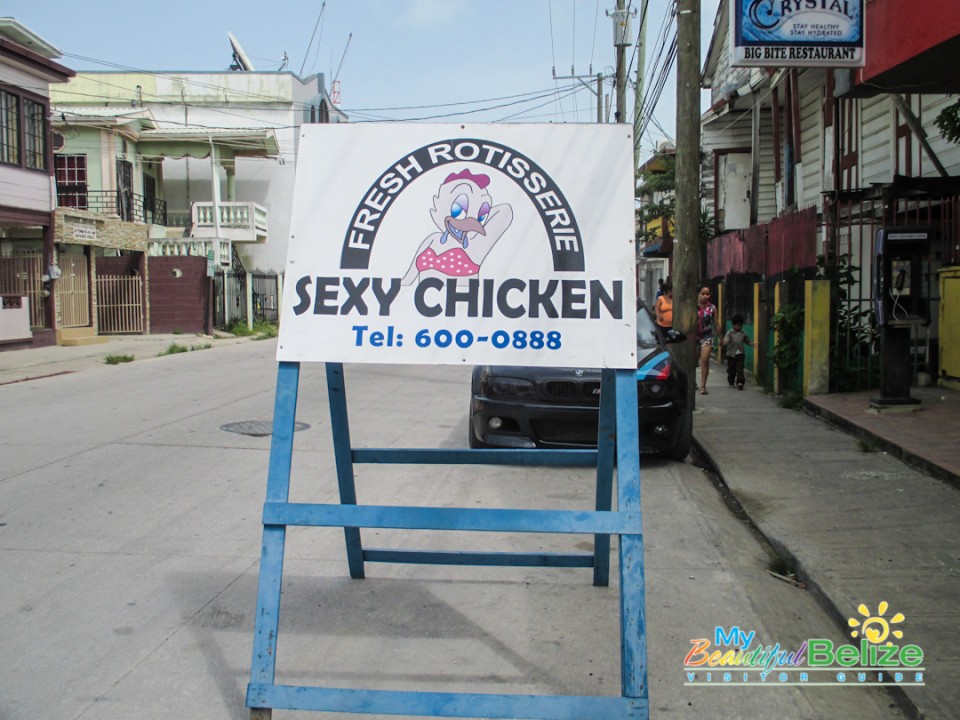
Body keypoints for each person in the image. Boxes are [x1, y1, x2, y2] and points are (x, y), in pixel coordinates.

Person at [696, 285, 717, 394]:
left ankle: (703, 386)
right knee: (692, 361)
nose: (705, 296)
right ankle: (692, 382)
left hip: (707, 336)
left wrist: (721, 337)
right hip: (693, 337)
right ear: (698, 294)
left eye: (707, 294)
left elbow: (716, 323)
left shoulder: (712, 308)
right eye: (703, 294)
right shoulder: (692, 306)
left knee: (705, 360)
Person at [723, 314, 753, 390]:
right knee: (731, 369)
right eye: (737, 325)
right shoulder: (729, 333)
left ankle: (740, 382)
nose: (738, 327)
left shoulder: (743, 334)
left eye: (740, 325)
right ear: (733, 325)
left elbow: (747, 341)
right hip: (731, 354)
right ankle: (731, 381)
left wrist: (753, 344)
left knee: (740, 368)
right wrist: (724, 342)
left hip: (740, 354)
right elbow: (726, 340)